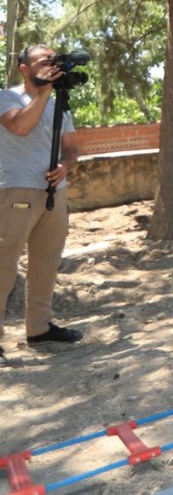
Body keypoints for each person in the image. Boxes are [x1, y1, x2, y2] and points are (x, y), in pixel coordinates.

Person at [0, 44, 84, 364]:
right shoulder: (7, 97)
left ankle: (39, 328)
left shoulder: (60, 104)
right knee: (3, 266)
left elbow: (72, 149)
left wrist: (65, 166)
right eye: (43, 60)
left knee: (46, 262)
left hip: (54, 192)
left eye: (53, 59)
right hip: (15, 191)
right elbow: (20, 127)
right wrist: (45, 92)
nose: (50, 64)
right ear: (24, 68)